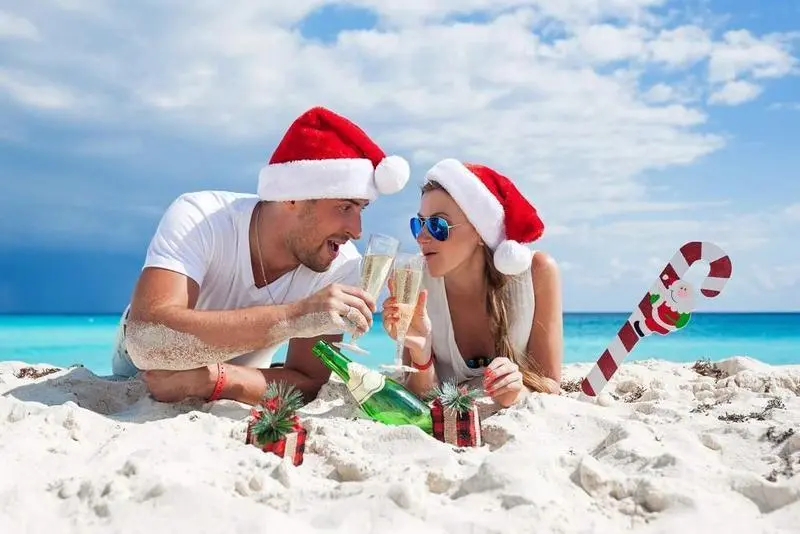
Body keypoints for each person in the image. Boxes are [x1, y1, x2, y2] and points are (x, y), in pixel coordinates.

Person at [112, 106, 411, 405]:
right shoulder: (201, 217)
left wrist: (212, 379)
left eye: (361, 209)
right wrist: (297, 317)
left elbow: (307, 382)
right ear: (293, 196)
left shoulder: (341, 265)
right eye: (345, 207)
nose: (357, 231)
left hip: (236, 374)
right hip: (137, 372)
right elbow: (146, 341)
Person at [382, 158, 563, 408]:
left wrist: (518, 390)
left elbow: (551, 383)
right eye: (419, 224)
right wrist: (421, 356)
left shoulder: (536, 272)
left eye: (437, 225)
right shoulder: (414, 278)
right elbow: (420, 394)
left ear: (480, 230)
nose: (422, 237)